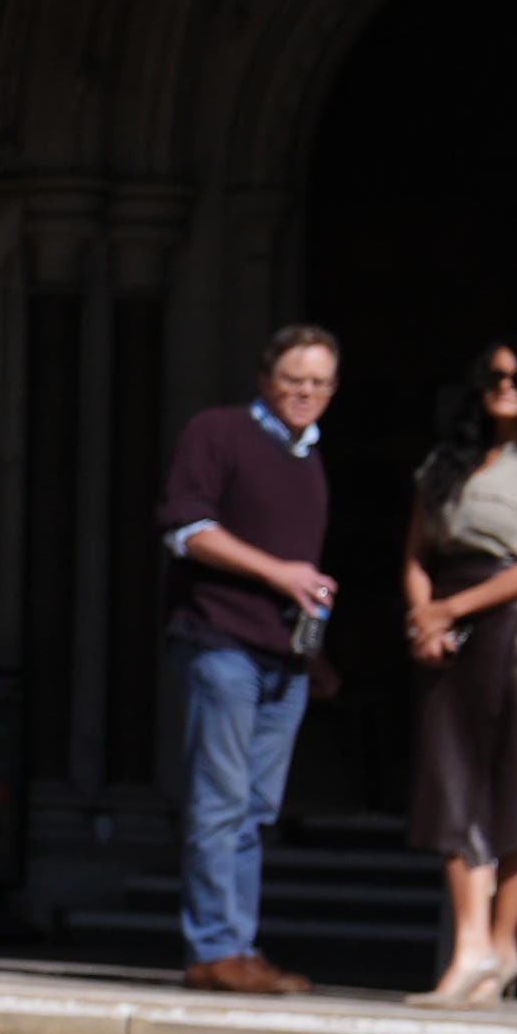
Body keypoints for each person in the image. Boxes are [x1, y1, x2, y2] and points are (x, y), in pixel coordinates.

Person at [400, 337, 517, 1003]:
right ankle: (470, 944)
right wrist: (426, 617)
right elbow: (417, 552)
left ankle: (503, 948)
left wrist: (449, 609)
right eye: (494, 376)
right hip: (449, 627)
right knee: (452, 780)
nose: (505, 386)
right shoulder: (447, 463)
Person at [157, 326, 342, 992]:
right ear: (267, 378)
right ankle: (213, 948)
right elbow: (185, 528)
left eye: (320, 383)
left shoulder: (309, 458)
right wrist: (280, 574)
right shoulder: (220, 432)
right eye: (295, 379)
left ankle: (237, 945)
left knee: (256, 810)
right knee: (220, 801)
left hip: (283, 657)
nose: (306, 393)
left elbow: (297, 575)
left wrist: (312, 653)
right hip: (222, 644)